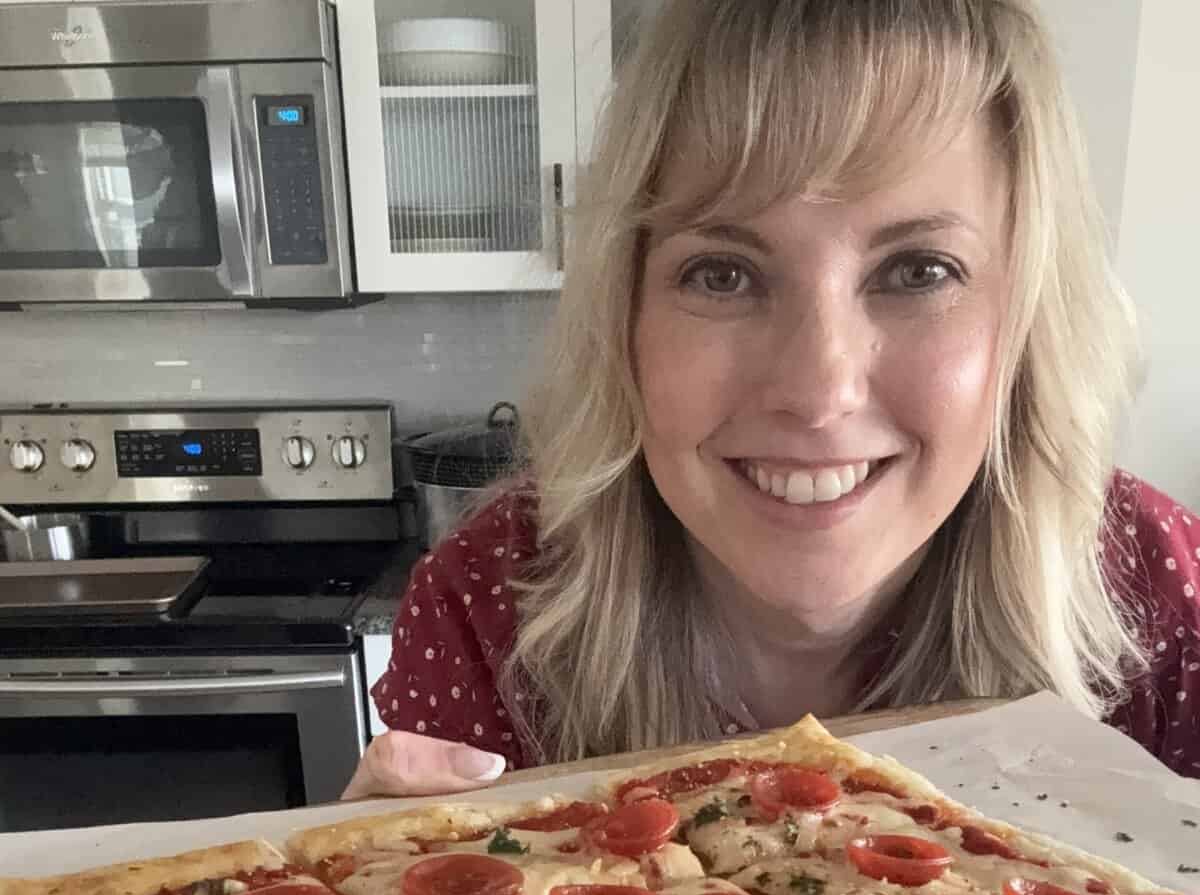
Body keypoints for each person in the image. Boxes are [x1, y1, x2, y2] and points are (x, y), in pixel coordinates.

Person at [345, 0, 1200, 802]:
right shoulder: (489, 608)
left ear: (1025, 318)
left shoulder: (1169, 598)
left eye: (919, 272)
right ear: (625, 313)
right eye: (723, 274)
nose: (818, 391)